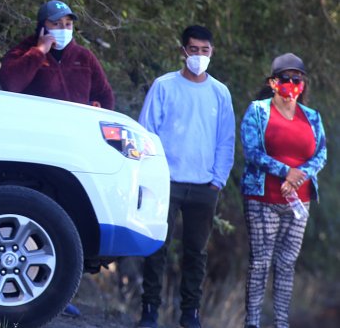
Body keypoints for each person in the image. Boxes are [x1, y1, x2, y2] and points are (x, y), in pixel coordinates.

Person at [136, 25, 235, 328]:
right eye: (194, 50)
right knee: (156, 246)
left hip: (205, 185)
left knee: (196, 252)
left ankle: (190, 314)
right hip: (166, 182)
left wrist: (217, 180)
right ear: (183, 52)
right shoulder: (164, 86)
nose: (199, 56)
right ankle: (150, 310)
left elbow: (226, 139)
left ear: (212, 53)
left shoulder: (220, 93)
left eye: (205, 51)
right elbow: (146, 131)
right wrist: (152, 174)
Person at [240, 53, 327, 328]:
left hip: (298, 202)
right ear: (273, 82)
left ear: (303, 83)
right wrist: (284, 172)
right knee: (260, 262)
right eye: (286, 78)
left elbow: (321, 154)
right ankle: (252, 322)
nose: (292, 83)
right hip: (262, 199)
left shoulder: (312, 117)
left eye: (297, 79)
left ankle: (281, 322)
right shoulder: (257, 111)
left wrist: (300, 177)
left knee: (286, 263)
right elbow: (251, 151)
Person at [0, 0, 114, 109]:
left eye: (68, 24)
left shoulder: (84, 56)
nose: (64, 29)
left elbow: (105, 96)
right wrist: (39, 51)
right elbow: (10, 85)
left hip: (76, 126)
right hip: (35, 124)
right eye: (56, 24)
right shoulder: (24, 50)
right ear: (42, 26)